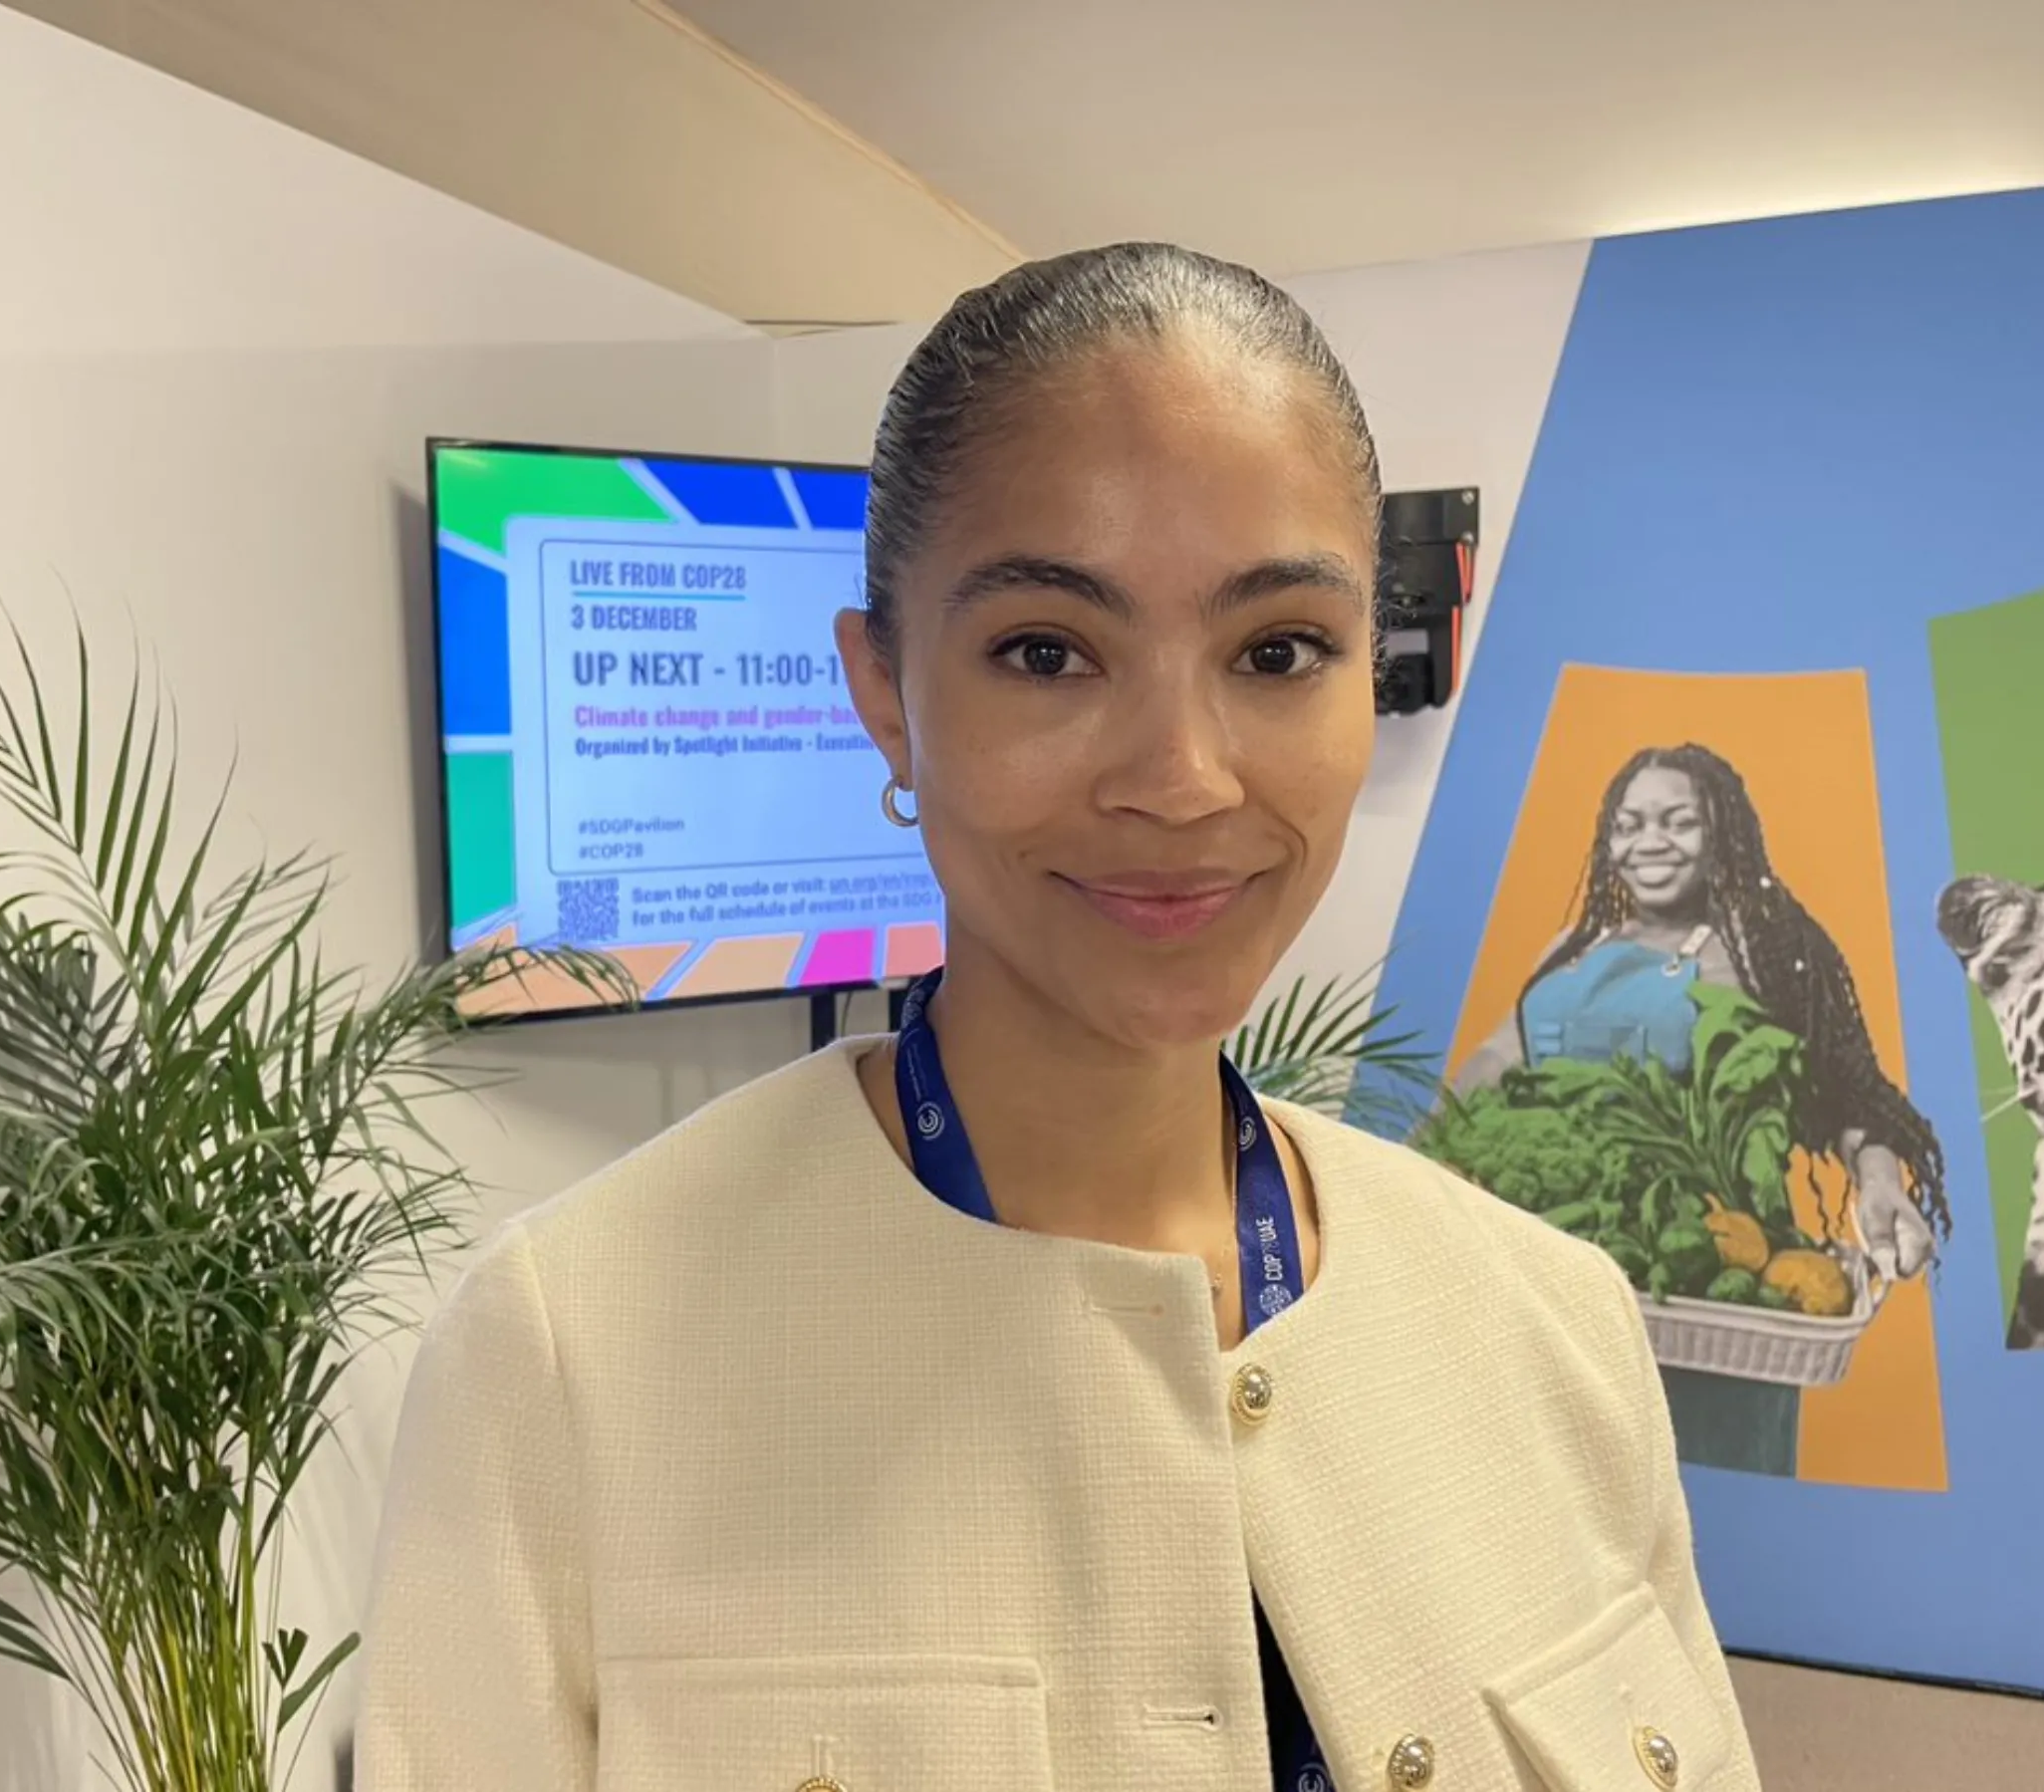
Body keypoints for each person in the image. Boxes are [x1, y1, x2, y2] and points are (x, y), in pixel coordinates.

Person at [357, 246, 1761, 1791]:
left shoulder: (1550, 1328)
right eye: (1047, 650)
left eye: (1279, 650)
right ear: (885, 692)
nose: (1183, 775)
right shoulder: (572, 1361)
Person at [1454, 743, 1947, 1477]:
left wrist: (1879, 1184)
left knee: (1694, 1507)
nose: (1648, 841)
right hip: (1558, 1272)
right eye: (1629, 824)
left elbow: (1844, 1091)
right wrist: (1414, 1170)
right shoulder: (1572, 947)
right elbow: (1489, 1072)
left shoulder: (1767, 950)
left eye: (1677, 821)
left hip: (1711, 1279)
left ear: (1721, 832)